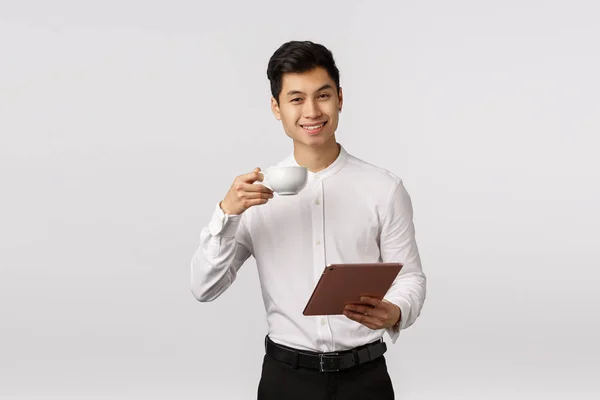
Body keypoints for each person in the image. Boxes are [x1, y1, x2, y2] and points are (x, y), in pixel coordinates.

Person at [191, 40, 426, 400]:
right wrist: (226, 214)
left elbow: (409, 276)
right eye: (296, 99)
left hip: (365, 378)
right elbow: (204, 288)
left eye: (323, 95)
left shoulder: (384, 188)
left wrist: (395, 311)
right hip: (286, 380)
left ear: (340, 99)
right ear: (277, 107)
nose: (312, 111)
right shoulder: (254, 195)